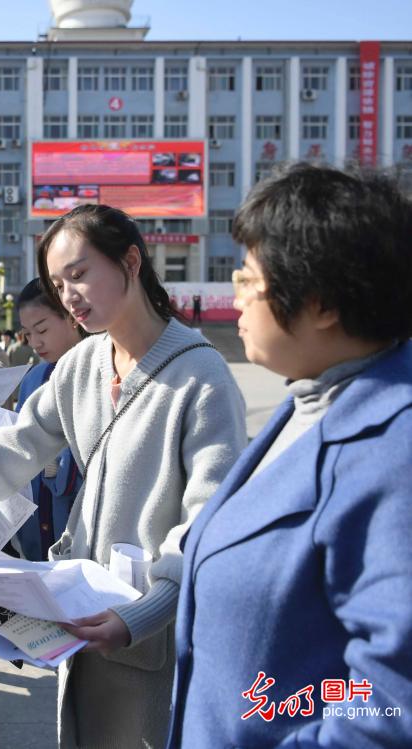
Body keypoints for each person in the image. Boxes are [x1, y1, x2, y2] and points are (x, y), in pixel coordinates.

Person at [0, 203, 247, 748]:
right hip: (79, 615)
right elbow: (23, 441)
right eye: (59, 284)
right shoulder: (83, 365)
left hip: (150, 630)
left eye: (80, 274)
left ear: (131, 261)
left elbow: (208, 521)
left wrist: (146, 613)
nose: (69, 296)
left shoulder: (202, 378)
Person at [168, 165, 412, 747]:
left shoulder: (393, 452)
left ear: (322, 302)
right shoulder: (310, 398)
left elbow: (391, 700)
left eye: (249, 281)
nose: (236, 299)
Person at [13, 279, 85, 562]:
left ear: (71, 317)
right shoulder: (33, 378)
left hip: (78, 520)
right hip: (35, 512)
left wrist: (57, 468)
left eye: (42, 329)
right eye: (28, 334)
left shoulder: (100, 370)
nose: (35, 342)